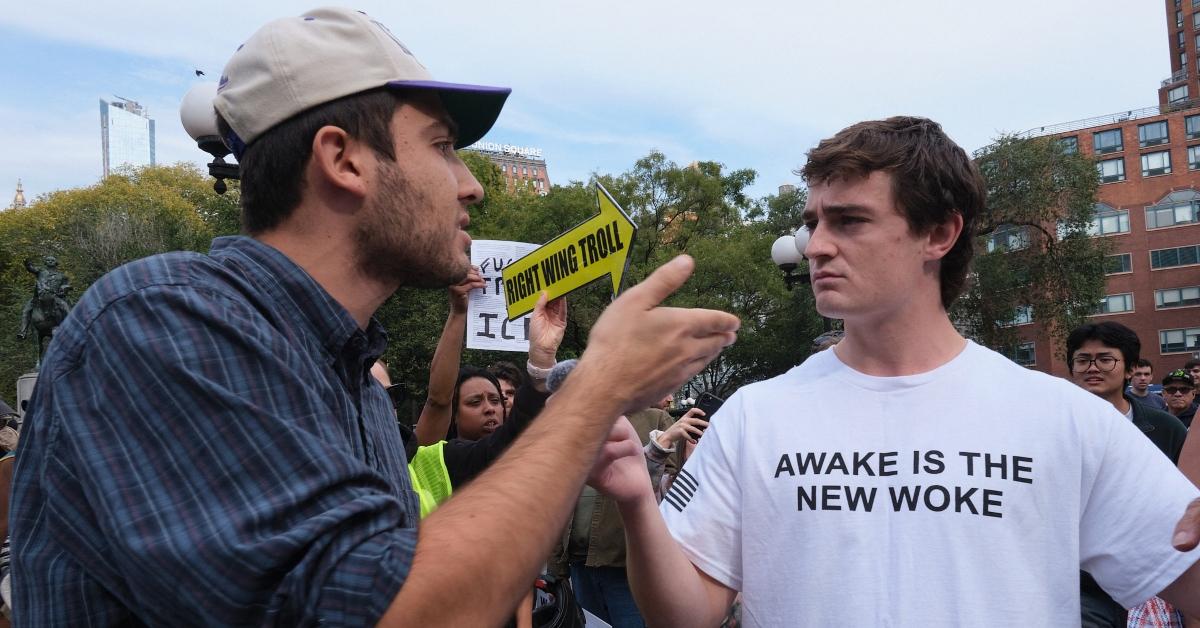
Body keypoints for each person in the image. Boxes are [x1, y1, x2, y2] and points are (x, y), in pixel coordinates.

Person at [9, 8, 740, 626]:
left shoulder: (351, 371)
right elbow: (385, 610)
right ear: (344, 160)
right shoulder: (164, 322)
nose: (473, 185)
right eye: (444, 147)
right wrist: (597, 386)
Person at [588, 116, 1200, 625]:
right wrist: (640, 504)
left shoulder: (1064, 417)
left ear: (938, 233)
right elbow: (686, 614)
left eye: (849, 221)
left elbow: (1184, 583)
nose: (817, 245)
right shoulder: (757, 414)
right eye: (813, 223)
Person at [1065, 322, 1188, 626]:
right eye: (1082, 360)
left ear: (1131, 369)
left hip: (1153, 580)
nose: (1092, 367)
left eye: (1105, 359)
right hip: (1080, 584)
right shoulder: (1052, 429)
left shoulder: (1165, 428)